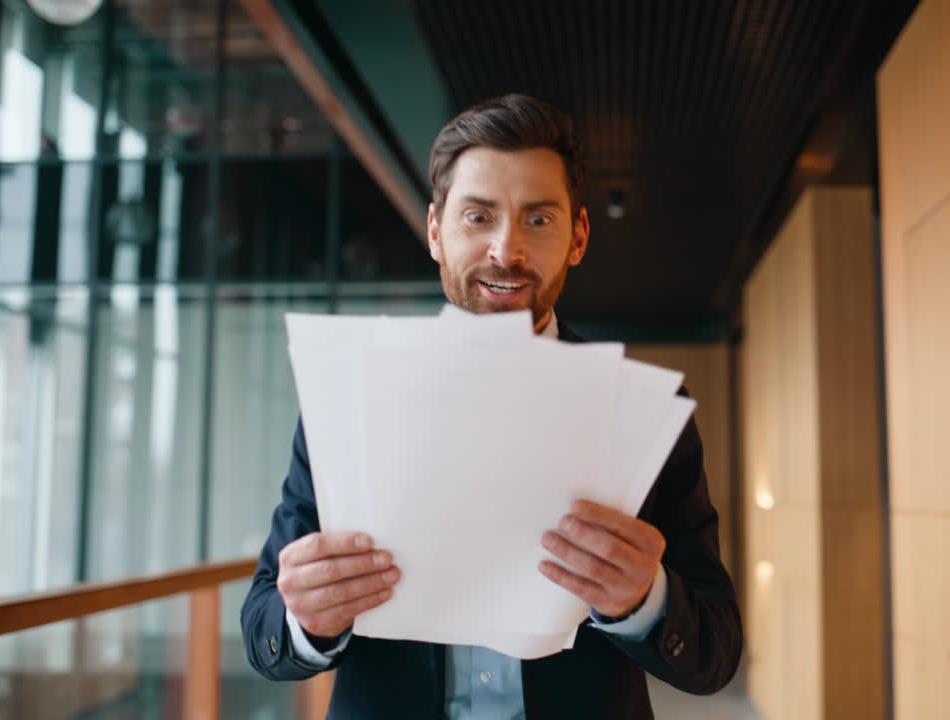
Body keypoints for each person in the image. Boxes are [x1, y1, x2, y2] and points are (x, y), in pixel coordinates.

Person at [241, 94, 741, 719]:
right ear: (435, 231)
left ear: (578, 235)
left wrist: (646, 599)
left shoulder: (643, 407)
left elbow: (716, 652)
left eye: (538, 220)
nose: (506, 252)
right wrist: (305, 620)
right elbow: (264, 628)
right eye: (478, 216)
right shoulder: (350, 395)